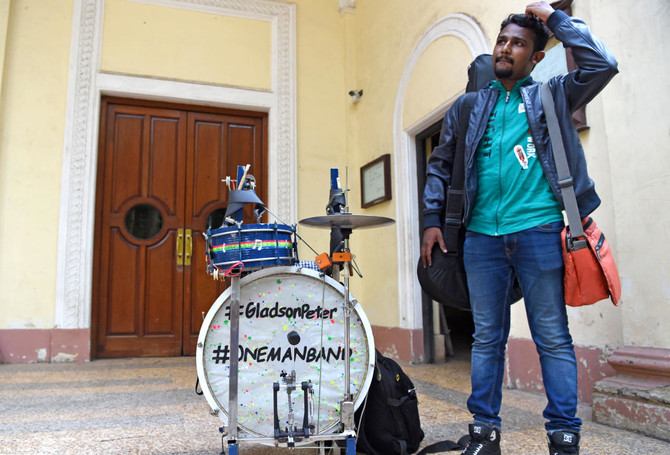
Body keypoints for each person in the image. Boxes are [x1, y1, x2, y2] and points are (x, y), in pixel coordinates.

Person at [420, 2, 618, 454]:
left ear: (536, 57)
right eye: (502, 41)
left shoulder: (552, 95)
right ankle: (485, 435)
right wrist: (433, 220)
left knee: (551, 336)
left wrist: (554, 20)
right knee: (487, 337)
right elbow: (441, 164)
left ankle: (563, 437)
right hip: (481, 241)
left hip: (541, 232)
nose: (506, 49)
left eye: (518, 43)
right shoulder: (468, 106)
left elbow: (603, 64)